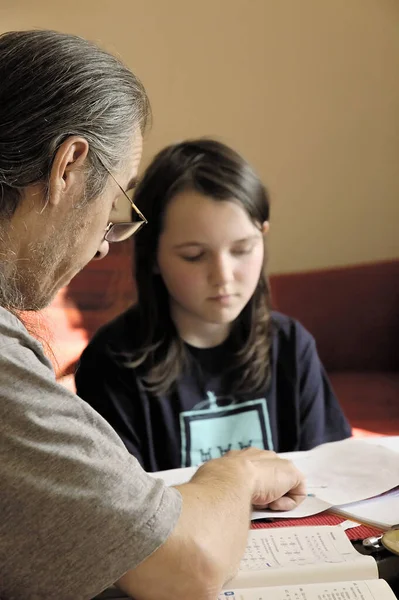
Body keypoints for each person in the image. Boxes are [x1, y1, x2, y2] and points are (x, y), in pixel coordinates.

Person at [0, 30, 306, 600]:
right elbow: (181, 567)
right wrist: (231, 474)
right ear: (69, 166)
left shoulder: (291, 343)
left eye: (242, 249)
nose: (100, 245)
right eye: (117, 200)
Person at [76, 139, 352, 473]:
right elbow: (123, 506)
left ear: (262, 237)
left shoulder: (291, 346)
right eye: (194, 256)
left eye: (242, 249)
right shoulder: (111, 363)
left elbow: (331, 479)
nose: (223, 277)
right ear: (153, 257)